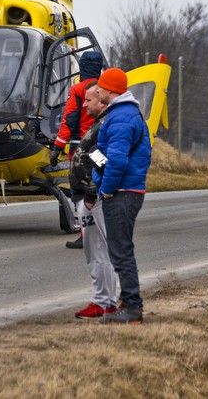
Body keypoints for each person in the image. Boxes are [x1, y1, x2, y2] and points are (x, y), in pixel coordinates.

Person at [92, 68, 151, 325]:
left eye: (100, 87)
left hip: (122, 191)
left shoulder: (121, 117)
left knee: (120, 250)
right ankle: (130, 304)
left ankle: (131, 308)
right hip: (126, 189)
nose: (96, 91)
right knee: (120, 248)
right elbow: (109, 156)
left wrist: (105, 188)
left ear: (110, 90)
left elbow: (117, 160)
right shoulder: (122, 113)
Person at [70, 82, 118, 319]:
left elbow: (102, 160)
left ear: (101, 100)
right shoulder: (99, 124)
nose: (85, 104)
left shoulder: (104, 126)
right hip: (91, 196)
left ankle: (103, 301)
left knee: (99, 251)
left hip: (94, 199)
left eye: (89, 100)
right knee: (97, 251)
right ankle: (104, 301)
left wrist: (91, 192)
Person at [50, 50, 103, 250]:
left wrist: (57, 148)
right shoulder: (104, 89)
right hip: (100, 148)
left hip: (80, 149)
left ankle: (85, 235)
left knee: (80, 190)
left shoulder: (79, 90)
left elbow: (69, 119)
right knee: (100, 185)